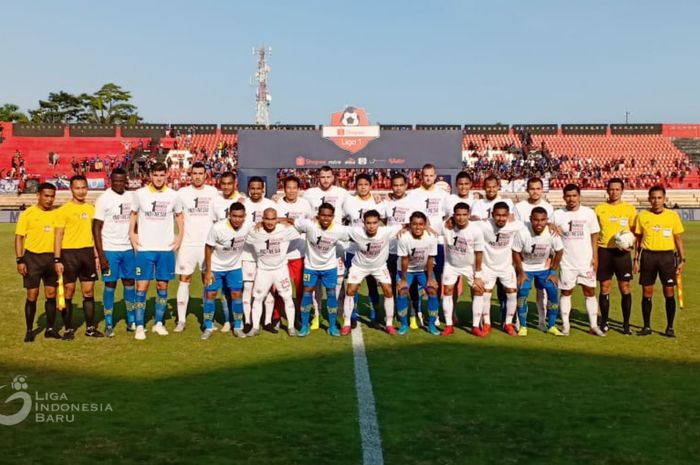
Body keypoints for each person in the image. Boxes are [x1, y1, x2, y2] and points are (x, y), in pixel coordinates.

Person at [129, 162, 184, 340]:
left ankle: (159, 323)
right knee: (141, 287)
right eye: (156, 175)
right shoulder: (140, 194)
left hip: (165, 249)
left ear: (166, 175)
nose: (159, 178)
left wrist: (179, 236)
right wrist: (132, 233)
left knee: (162, 286)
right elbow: (134, 214)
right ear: (150, 175)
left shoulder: (174, 196)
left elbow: (179, 216)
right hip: (145, 248)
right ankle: (139, 326)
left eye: (162, 175)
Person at [286, 202, 350, 336]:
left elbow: (356, 235)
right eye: (323, 215)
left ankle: (332, 326)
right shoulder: (309, 225)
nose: (325, 218)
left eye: (329, 216)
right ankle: (304, 326)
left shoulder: (339, 230)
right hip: (311, 267)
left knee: (331, 293)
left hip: (329, 267)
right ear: (318, 216)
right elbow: (291, 221)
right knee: (307, 293)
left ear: (333, 216)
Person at [552, 184, 605, 336]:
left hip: (586, 261)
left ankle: (593, 325)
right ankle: (566, 326)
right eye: (568, 196)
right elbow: (549, 230)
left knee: (590, 292)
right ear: (564, 198)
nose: (571, 199)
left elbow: (594, 236)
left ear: (579, 196)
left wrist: (595, 256)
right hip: (567, 261)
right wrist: (550, 225)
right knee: (566, 292)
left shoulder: (588, 213)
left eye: (574, 195)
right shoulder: (558, 214)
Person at [53, 175, 102, 340]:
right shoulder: (63, 210)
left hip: (87, 253)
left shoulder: (92, 209)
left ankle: (90, 328)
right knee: (69, 291)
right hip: (69, 254)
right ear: (71, 189)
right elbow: (58, 236)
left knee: (88, 291)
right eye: (77, 188)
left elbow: (95, 235)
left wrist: (96, 256)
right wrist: (57, 259)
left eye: (83, 188)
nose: (81, 191)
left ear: (87, 188)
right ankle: (68, 329)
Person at [633, 185, 685, 337]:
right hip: (648, 256)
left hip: (667, 257)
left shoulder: (673, 216)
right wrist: (636, 260)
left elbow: (678, 239)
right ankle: (647, 326)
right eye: (653, 198)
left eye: (659, 198)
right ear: (649, 199)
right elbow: (638, 240)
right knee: (647, 291)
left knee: (669, 292)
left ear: (664, 199)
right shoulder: (642, 216)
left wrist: (682, 259)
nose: (656, 201)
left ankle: (670, 327)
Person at [174, 162, 219, 333]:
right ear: (190, 175)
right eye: (195, 173)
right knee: (184, 279)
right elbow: (177, 214)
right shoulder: (182, 193)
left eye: (201, 173)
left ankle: (208, 320)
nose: (198, 176)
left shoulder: (213, 193)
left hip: (207, 245)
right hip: (188, 243)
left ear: (206, 175)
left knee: (207, 280)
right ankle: (181, 320)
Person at [342, 210, 403, 335]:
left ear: (379, 222)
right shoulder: (356, 231)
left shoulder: (386, 231)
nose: (371, 226)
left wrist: (407, 228)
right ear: (363, 223)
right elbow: (337, 230)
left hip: (379, 267)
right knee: (350, 290)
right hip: (359, 266)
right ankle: (347, 323)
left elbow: (406, 225)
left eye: (374, 223)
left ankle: (389, 324)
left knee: (388, 290)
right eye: (368, 223)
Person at [93, 168, 136, 337]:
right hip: (110, 250)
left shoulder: (131, 197)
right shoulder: (103, 199)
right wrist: (101, 254)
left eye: (122, 180)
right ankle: (109, 322)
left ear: (126, 180)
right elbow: (96, 227)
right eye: (115, 181)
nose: (119, 183)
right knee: (110, 284)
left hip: (128, 249)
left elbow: (135, 222)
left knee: (129, 283)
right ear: (111, 180)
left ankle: (131, 320)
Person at [15, 182, 60, 342]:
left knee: (51, 294)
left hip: (51, 259)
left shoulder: (57, 214)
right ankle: (29, 330)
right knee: (32, 295)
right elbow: (19, 237)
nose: (49, 199)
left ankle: (50, 328)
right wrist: (20, 260)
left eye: (52, 196)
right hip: (32, 259)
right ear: (38, 195)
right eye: (46, 196)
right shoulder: (28, 214)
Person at [245, 208, 300, 337]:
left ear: (277, 219)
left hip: (281, 271)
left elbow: (303, 225)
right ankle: (255, 327)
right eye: (267, 219)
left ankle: (291, 327)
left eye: (273, 219)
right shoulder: (255, 231)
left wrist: (283, 219)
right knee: (257, 299)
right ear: (262, 219)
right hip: (263, 271)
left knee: (287, 297)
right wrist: (256, 224)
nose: (270, 222)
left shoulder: (285, 230)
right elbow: (240, 227)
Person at [202, 202, 253, 339]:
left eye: (240, 216)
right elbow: (208, 247)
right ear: (229, 215)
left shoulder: (248, 225)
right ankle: (208, 327)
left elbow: (264, 224)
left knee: (237, 295)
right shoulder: (218, 228)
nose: (237, 219)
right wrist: (208, 270)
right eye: (234, 216)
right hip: (216, 268)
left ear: (245, 216)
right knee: (211, 295)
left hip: (234, 267)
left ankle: (237, 326)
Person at [407, 163, 450, 322]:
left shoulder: (443, 194)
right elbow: (411, 217)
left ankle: (434, 313)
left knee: (435, 279)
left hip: (437, 242)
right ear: (421, 175)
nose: (428, 178)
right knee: (416, 278)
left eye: (431, 175)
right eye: (426, 175)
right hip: (418, 242)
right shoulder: (413, 194)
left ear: (435, 175)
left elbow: (449, 216)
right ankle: (416, 310)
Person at [512, 207, 564, 336]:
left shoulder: (551, 233)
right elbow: (515, 252)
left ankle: (551, 325)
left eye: (542, 220)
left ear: (547, 220)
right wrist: (521, 272)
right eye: (536, 220)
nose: (539, 223)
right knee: (523, 291)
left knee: (552, 290)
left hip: (544, 268)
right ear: (531, 219)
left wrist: (553, 272)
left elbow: (559, 251)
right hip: (526, 268)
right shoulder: (522, 232)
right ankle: (523, 326)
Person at [594, 178, 637, 334]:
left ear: (622, 190)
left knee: (624, 287)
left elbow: (634, 232)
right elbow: (594, 232)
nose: (614, 192)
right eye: (611, 189)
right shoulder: (599, 209)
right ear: (607, 190)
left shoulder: (630, 209)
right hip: (604, 251)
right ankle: (604, 322)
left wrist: (631, 245)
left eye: (617, 189)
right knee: (605, 286)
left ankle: (626, 324)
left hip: (622, 254)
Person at [342, 173, 385, 324]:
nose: (363, 187)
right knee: (354, 284)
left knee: (373, 284)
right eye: (360, 184)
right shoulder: (349, 202)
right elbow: (340, 219)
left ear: (371, 186)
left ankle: (374, 313)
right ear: (356, 186)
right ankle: (352, 313)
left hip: (373, 253)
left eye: (366, 184)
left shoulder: (378, 202)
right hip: (353, 251)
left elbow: (386, 221)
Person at [478, 202, 525, 336]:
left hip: (506, 267)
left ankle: (508, 323)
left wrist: (550, 225)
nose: (501, 218)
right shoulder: (484, 225)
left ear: (508, 215)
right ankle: (487, 323)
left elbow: (533, 224)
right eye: (497, 215)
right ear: (492, 215)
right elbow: (465, 223)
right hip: (487, 267)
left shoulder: (515, 225)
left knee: (511, 292)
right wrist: (451, 221)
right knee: (486, 294)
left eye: (504, 215)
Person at [514, 177, 555, 330]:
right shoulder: (519, 207)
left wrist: (550, 257)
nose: (535, 191)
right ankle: (519, 320)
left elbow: (550, 231)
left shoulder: (548, 207)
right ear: (527, 190)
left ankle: (542, 320)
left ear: (542, 189)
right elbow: (516, 229)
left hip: (542, 258)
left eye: (538, 188)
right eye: (532, 188)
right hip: (524, 256)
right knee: (522, 290)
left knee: (542, 291)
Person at [440, 202, 485, 337]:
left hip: (469, 266)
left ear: (469, 215)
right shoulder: (446, 226)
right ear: (453, 215)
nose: (461, 218)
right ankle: (449, 325)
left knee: (477, 290)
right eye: (458, 215)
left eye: (464, 215)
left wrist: (477, 274)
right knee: (447, 290)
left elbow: (479, 253)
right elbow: (428, 226)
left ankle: (475, 326)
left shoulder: (476, 230)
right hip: (451, 265)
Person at [383, 172, 421, 329]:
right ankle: (394, 313)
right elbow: (384, 221)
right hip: (390, 250)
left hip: (407, 251)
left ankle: (413, 315)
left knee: (410, 285)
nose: (398, 188)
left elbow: (418, 222)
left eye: (401, 185)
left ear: (406, 185)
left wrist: (405, 226)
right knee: (391, 284)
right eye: (395, 185)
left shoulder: (412, 202)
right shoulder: (387, 204)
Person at [240, 176, 277, 331]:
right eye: (252, 188)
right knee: (248, 289)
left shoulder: (270, 204)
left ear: (263, 189)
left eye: (258, 188)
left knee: (268, 290)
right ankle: (247, 321)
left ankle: (267, 321)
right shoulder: (243, 204)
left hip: (267, 255)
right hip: (248, 254)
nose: (255, 191)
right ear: (249, 189)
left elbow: (278, 220)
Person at [274, 176, 314, 320]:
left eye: (294, 188)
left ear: (298, 189)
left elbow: (311, 222)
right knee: (279, 288)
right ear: (284, 189)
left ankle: (301, 315)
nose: (291, 191)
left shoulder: (304, 204)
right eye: (288, 187)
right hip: (281, 254)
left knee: (301, 288)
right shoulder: (277, 204)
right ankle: (276, 317)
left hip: (299, 253)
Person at [395, 212, 439, 335]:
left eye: (421, 224)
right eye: (414, 224)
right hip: (406, 270)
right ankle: (404, 324)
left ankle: (431, 324)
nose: (418, 227)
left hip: (423, 270)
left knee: (432, 290)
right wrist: (403, 280)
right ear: (410, 225)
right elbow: (404, 260)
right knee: (403, 291)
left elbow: (430, 259)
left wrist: (430, 278)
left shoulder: (431, 237)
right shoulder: (404, 238)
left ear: (425, 225)